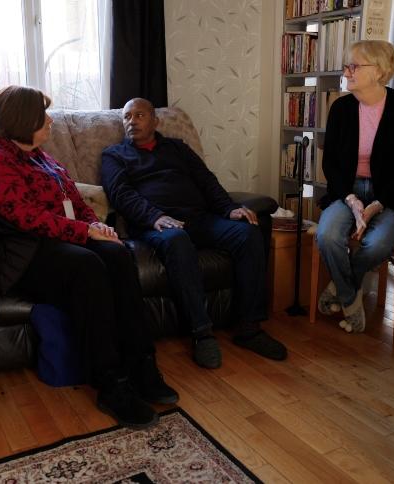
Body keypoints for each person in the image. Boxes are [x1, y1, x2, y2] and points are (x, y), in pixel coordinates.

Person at [0, 85, 177, 429]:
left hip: (60, 241)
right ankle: (111, 384)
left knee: (119, 255)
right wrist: (84, 232)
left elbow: (74, 200)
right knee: (87, 267)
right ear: (21, 121)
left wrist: (96, 226)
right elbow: (26, 218)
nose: (50, 121)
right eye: (41, 116)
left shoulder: (38, 154)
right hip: (25, 253)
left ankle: (141, 363)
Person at [101, 98, 287, 369]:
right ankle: (201, 333)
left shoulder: (177, 148)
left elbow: (206, 180)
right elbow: (121, 195)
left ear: (155, 121)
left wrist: (229, 209)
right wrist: (155, 217)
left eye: (139, 115)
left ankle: (249, 328)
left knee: (247, 232)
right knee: (177, 239)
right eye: (127, 117)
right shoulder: (114, 155)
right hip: (156, 226)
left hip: (200, 218)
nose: (132, 121)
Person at [315, 40, 394, 333]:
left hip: (390, 196)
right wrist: (351, 199)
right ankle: (351, 300)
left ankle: (342, 286)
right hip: (347, 191)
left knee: (376, 245)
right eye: (347, 66)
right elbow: (331, 165)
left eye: (354, 66)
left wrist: (377, 204)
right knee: (327, 235)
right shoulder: (341, 108)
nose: (347, 72)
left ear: (378, 71)